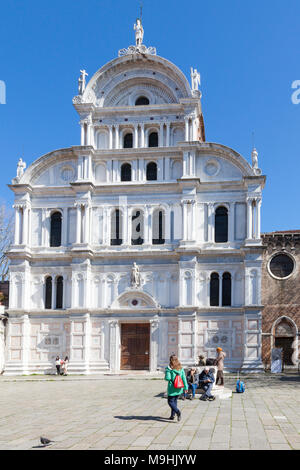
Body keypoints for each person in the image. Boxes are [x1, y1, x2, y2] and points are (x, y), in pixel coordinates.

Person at [165, 355, 188, 421]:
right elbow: (184, 378)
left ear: (170, 360)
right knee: (174, 401)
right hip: (179, 388)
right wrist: (186, 387)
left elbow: (167, 378)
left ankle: (178, 412)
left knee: (170, 402)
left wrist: (167, 371)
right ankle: (172, 415)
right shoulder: (181, 368)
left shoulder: (169, 369)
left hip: (172, 388)